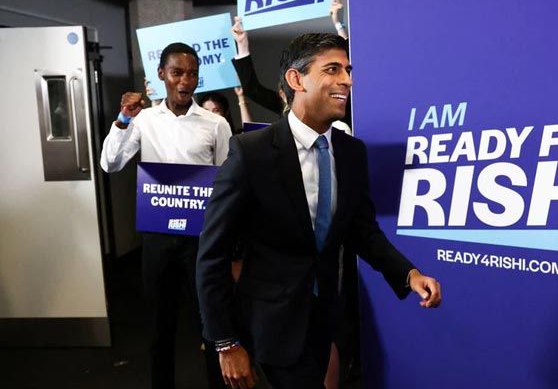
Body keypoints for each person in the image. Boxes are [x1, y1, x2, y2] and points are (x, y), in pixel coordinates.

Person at [196, 33, 442, 389]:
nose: (347, 80)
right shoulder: (251, 152)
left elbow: (363, 232)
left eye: (347, 70)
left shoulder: (351, 152)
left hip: (326, 316)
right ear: (296, 80)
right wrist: (224, 341)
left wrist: (409, 274)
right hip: (270, 324)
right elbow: (211, 255)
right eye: (332, 69)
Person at [101, 42, 232, 389]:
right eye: (177, 73)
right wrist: (123, 119)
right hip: (157, 236)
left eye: (191, 74)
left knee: (211, 321)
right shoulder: (142, 120)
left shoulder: (215, 124)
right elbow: (110, 164)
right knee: (160, 324)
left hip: (202, 238)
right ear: (161, 75)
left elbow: (228, 179)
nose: (185, 81)